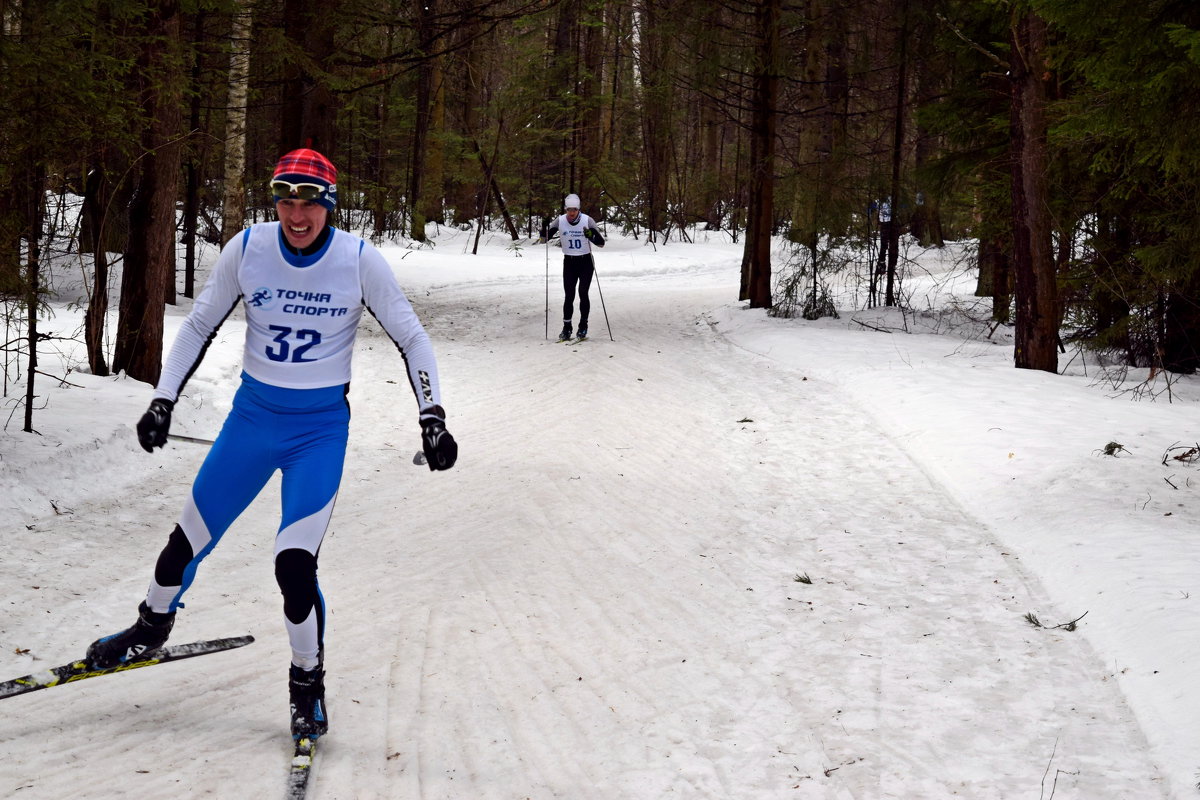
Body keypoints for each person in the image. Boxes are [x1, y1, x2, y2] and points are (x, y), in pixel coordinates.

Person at [85, 148, 458, 741]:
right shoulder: (249, 247)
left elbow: (412, 337)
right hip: (252, 422)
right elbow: (202, 322)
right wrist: (162, 400)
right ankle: (149, 628)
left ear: (328, 204)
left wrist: (432, 416)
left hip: (318, 433)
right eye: (286, 200)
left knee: (293, 567)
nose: (296, 214)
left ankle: (306, 680)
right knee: (183, 544)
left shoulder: (359, 260)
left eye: (309, 201)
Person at [542, 193, 604, 341]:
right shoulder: (560, 220)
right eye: (569, 209)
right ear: (565, 209)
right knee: (569, 295)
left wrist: (590, 235)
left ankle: (583, 326)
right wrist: (544, 227)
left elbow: (601, 243)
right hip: (569, 262)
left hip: (585, 262)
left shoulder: (587, 220)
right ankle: (567, 328)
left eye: (574, 210)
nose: (571, 213)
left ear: (578, 209)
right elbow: (544, 239)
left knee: (583, 292)